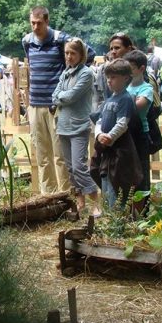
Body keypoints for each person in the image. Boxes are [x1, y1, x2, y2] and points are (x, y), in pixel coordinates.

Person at [22, 6, 95, 194]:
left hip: (57, 105)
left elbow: (89, 53)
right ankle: (49, 196)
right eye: (32, 23)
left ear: (47, 21)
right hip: (35, 103)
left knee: (60, 154)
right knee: (42, 154)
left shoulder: (60, 39)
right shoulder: (27, 41)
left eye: (39, 23)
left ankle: (66, 195)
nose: (35, 27)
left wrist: (71, 74)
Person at [52, 38, 99, 215]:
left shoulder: (86, 73)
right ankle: (80, 202)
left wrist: (60, 97)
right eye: (67, 53)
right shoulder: (65, 73)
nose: (69, 56)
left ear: (81, 55)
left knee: (80, 166)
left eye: (73, 53)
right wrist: (60, 97)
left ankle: (95, 201)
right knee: (71, 168)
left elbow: (71, 96)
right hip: (63, 125)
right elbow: (54, 94)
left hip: (79, 125)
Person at [89, 59, 141, 209]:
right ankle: (108, 216)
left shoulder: (126, 98)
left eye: (113, 77)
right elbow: (98, 121)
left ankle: (117, 220)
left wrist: (110, 136)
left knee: (117, 185)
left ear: (125, 78)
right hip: (106, 151)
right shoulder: (108, 100)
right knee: (105, 184)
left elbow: (122, 123)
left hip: (120, 151)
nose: (109, 81)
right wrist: (99, 135)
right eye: (108, 78)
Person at [123, 50, 154, 193]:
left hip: (140, 134)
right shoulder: (126, 88)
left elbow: (137, 105)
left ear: (142, 69)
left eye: (131, 68)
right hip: (125, 132)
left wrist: (121, 101)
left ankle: (143, 208)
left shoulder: (146, 88)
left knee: (141, 171)